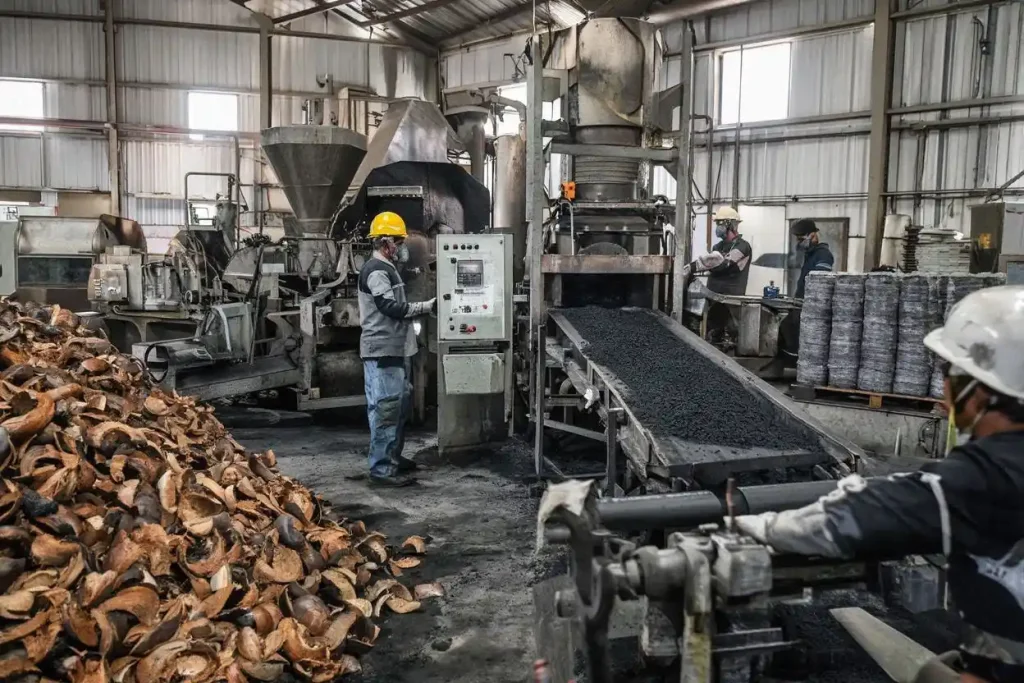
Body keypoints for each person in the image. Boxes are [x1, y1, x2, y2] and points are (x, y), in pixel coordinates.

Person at [736, 285, 1024, 683]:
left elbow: (865, 514)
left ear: (980, 394)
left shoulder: (986, 477)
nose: (942, 393)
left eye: (948, 375)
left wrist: (764, 527)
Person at [357, 211, 435, 487]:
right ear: (385, 242)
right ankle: (381, 469)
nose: (403, 247)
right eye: (399, 242)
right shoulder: (377, 270)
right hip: (383, 350)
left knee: (399, 405)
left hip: (395, 349)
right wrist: (426, 307)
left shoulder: (387, 268)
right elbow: (389, 307)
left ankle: (392, 457)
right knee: (387, 409)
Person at [680, 207, 753, 296]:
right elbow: (712, 266)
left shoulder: (743, 247)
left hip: (730, 299)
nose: (717, 227)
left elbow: (722, 263)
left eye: (719, 223)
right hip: (712, 296)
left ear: (729, 224)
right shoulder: (718, 246)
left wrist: (691, 268)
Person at [791, 218, 835, 298]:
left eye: (801, 239)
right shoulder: (809, 255)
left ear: (812, 235)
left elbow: (819, 283)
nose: (799, 243)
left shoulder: (823, 255)